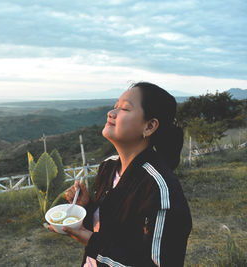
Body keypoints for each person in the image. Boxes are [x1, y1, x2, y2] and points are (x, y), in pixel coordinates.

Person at [56, 82, 192, 266]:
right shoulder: (108, 167)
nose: (111, 113)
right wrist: (86, 207)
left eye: (125, 108)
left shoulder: (160, 188)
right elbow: (108, 230)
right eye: (115, 107)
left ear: (149, 126)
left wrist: (92, 242)